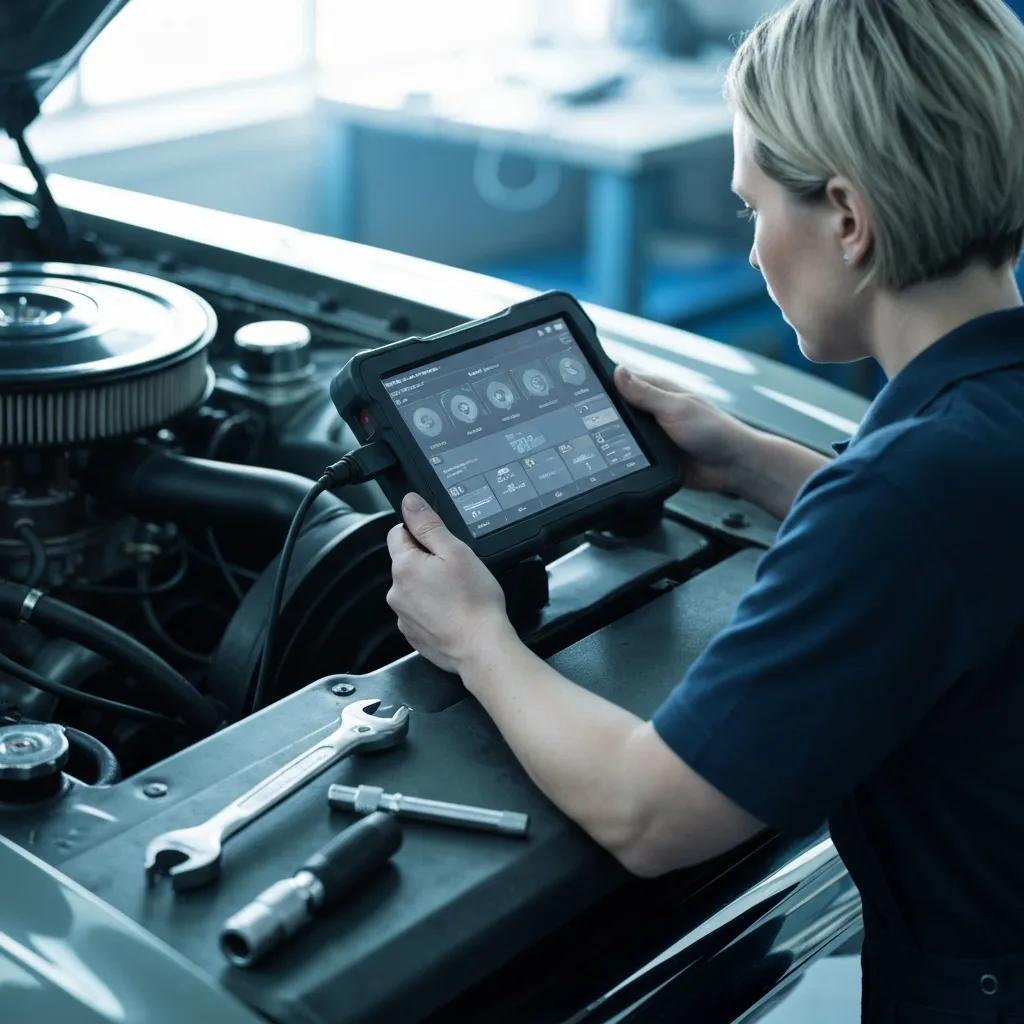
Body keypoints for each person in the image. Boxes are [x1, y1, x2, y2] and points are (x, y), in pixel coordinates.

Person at [385, 0, 1024, 1018]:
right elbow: (969, 548)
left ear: (849, 221)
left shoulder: (907, 492)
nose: (753, 251)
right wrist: (753, 463)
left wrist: (473, 638)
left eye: (753, 208)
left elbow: (650, 815)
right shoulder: (970, 439)